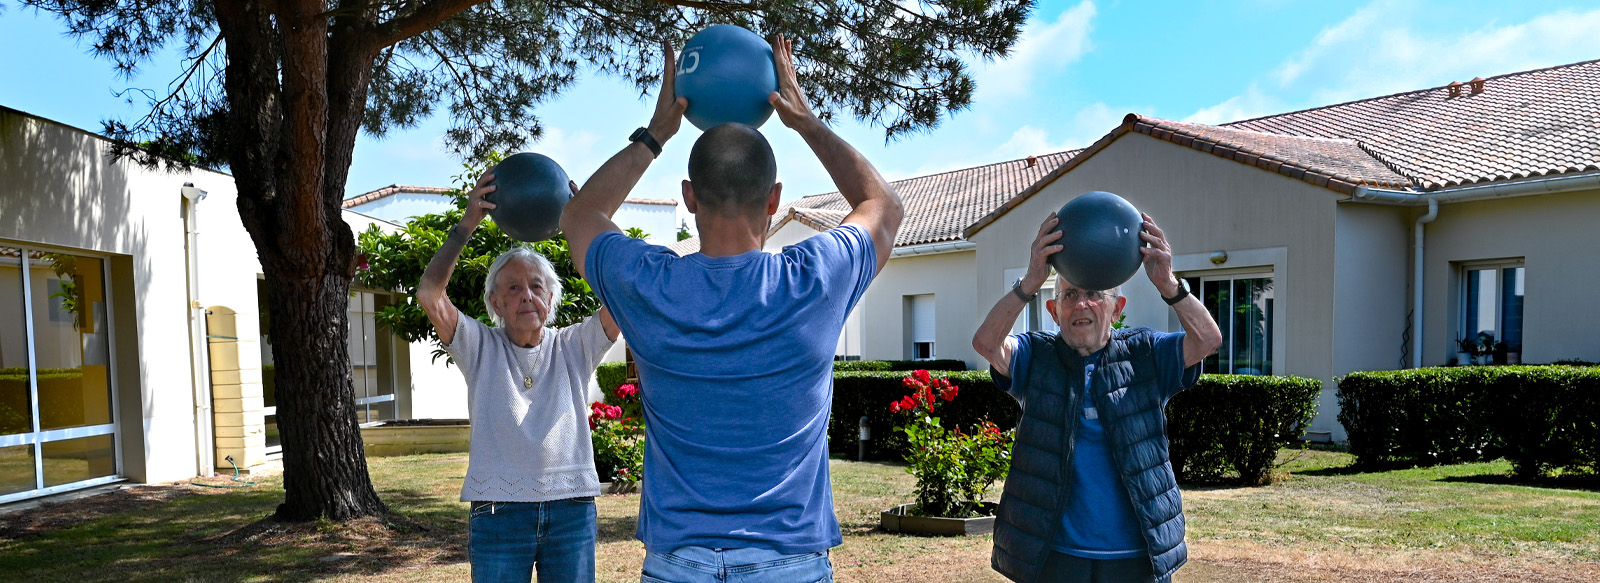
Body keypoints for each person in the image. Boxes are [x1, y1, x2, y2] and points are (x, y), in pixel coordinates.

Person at [559, 34, 903, 583]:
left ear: (689, 197)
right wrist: (805, 122)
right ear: (774, 199)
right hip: (790, 563)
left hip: (678, 565)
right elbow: (882, 206)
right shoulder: (815, 278)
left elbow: (579, 215)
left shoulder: (648, 284)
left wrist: (657, 133)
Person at [971, 212, 1222, 583]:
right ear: (1054, 312)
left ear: (1116, 309)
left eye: (1094, 294)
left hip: (1136, 557)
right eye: (1070, 294)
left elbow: (1208, 340)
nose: (1082, 304)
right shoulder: (1036, 357)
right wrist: (1030, 282)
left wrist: (1168, 284)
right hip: (1055, 556)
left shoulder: (1146, 354)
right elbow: (986, 344)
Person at [417, 177, 620, 583]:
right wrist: (466, 226)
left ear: (551, 298)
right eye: (513, 287)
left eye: (536, 286)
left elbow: (624, 294)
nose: (526, 295)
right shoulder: (479, 346)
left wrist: (587, 222)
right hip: (498, 514)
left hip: (571, 509)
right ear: (495, 302)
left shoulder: (573, 346)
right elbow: (429, 293)